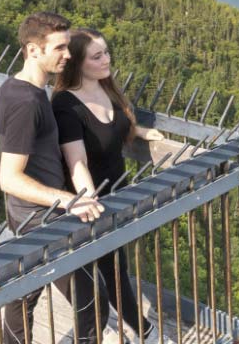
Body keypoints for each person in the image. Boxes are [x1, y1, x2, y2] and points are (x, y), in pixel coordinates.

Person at [52, 28, 174, 344]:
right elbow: (76, 160)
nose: (106, 60)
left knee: (113, 269)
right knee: (108, 273)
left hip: (115, 195)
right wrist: (90, 203)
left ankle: (130, 327)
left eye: (107, 52)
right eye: (97, 56)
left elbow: (117, 126)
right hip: (89, 203)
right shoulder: (66, 105)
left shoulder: (107, 90)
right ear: (77, 63)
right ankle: (142, 330)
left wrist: (141, 132)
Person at [0, 12, 109, 344]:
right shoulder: (25, 102)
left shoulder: (21, 89)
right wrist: (69, 202)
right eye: (59, 47)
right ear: (33, 50)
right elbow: (9, 178)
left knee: (23, 296)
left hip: (29, 215)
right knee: (92, 305)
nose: (68, 55)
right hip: (41, 221)